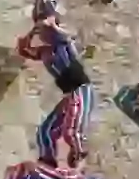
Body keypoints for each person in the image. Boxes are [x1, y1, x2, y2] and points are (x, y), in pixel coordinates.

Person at [16, 16, 95, 168]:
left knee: (72, 131)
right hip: (69, 95)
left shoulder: (63, 46)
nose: (44, 35)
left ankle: (77, 162)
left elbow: (67, 37)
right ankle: (48, 162)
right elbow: (23, 49)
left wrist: (52, 26)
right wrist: (34, 30)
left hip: (82, 91)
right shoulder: (45, 52)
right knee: (45, 131)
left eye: (47, 32)